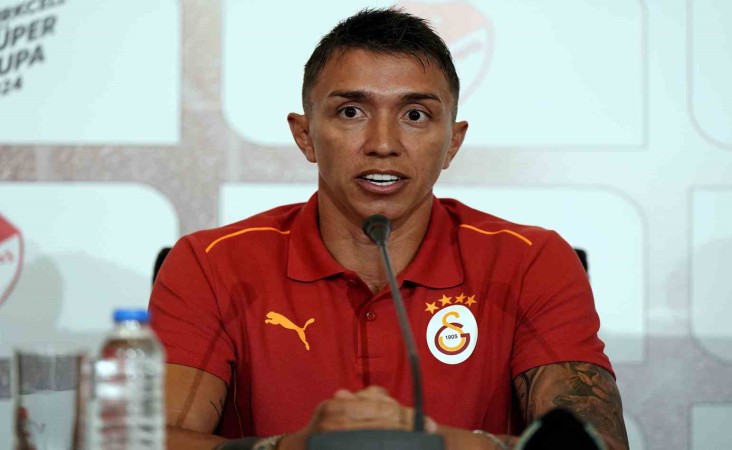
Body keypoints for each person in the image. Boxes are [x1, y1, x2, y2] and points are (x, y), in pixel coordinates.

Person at [149, 7, 629, 450]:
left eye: (415, 115)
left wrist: (430, 442)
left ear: (452, 142)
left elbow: (594, 445)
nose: (383, 143)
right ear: (305, 135)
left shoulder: (530, 261)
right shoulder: (211, 263)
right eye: (351, 112)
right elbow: (146, 441)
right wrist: (294, 447)